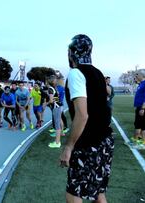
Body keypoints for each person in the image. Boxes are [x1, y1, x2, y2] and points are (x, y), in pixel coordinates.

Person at [60, 34, 114, 203]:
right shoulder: (98, 73)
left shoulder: (76, 73)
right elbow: (107, 93)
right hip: (105, 140)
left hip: (88, 141)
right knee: (98, 192)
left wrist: (68, 146)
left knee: (74, 193)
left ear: (71, 52)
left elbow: (82, 115)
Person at [131, 70, 145, 150]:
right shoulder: (141, 84)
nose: (135, 76)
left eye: (137, 75)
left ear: (142, 75)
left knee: (143, 126)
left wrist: (143, 108)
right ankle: (139, 142)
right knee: (139, 125)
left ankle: (143, 144)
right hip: (140, 107)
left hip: (143, 108)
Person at [47, 75, 64, 148]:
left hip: (56, 107)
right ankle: (60, 135)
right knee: (59, 121)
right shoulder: (55, 88)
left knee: (57, 125)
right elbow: (56, 98)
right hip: (59, 106)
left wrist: (46, 103)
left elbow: (51, 101)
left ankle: (57, 143)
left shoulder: (51, 89)